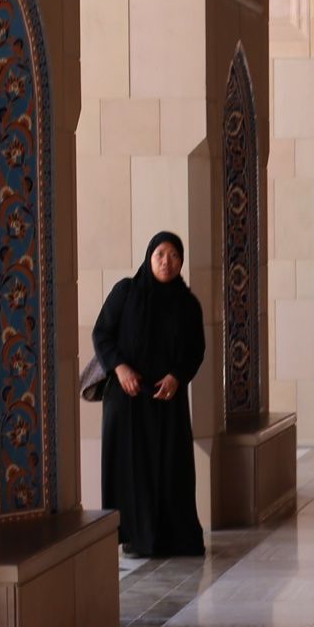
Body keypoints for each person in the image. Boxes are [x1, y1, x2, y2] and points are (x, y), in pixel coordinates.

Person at [92, 232, 206, 559]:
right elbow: (102, 334)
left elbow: (196, 350)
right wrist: (120, 368)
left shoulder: (187, 304)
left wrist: (177, 377)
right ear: (148, 257)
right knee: (133, 468)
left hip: (166, 399)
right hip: (127, 398)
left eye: (173, 255)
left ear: (181, 261)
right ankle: (135, 538)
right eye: (160, 254)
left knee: (170, 467)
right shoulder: (126, 293)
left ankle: (173, 537)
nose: (166, 262)